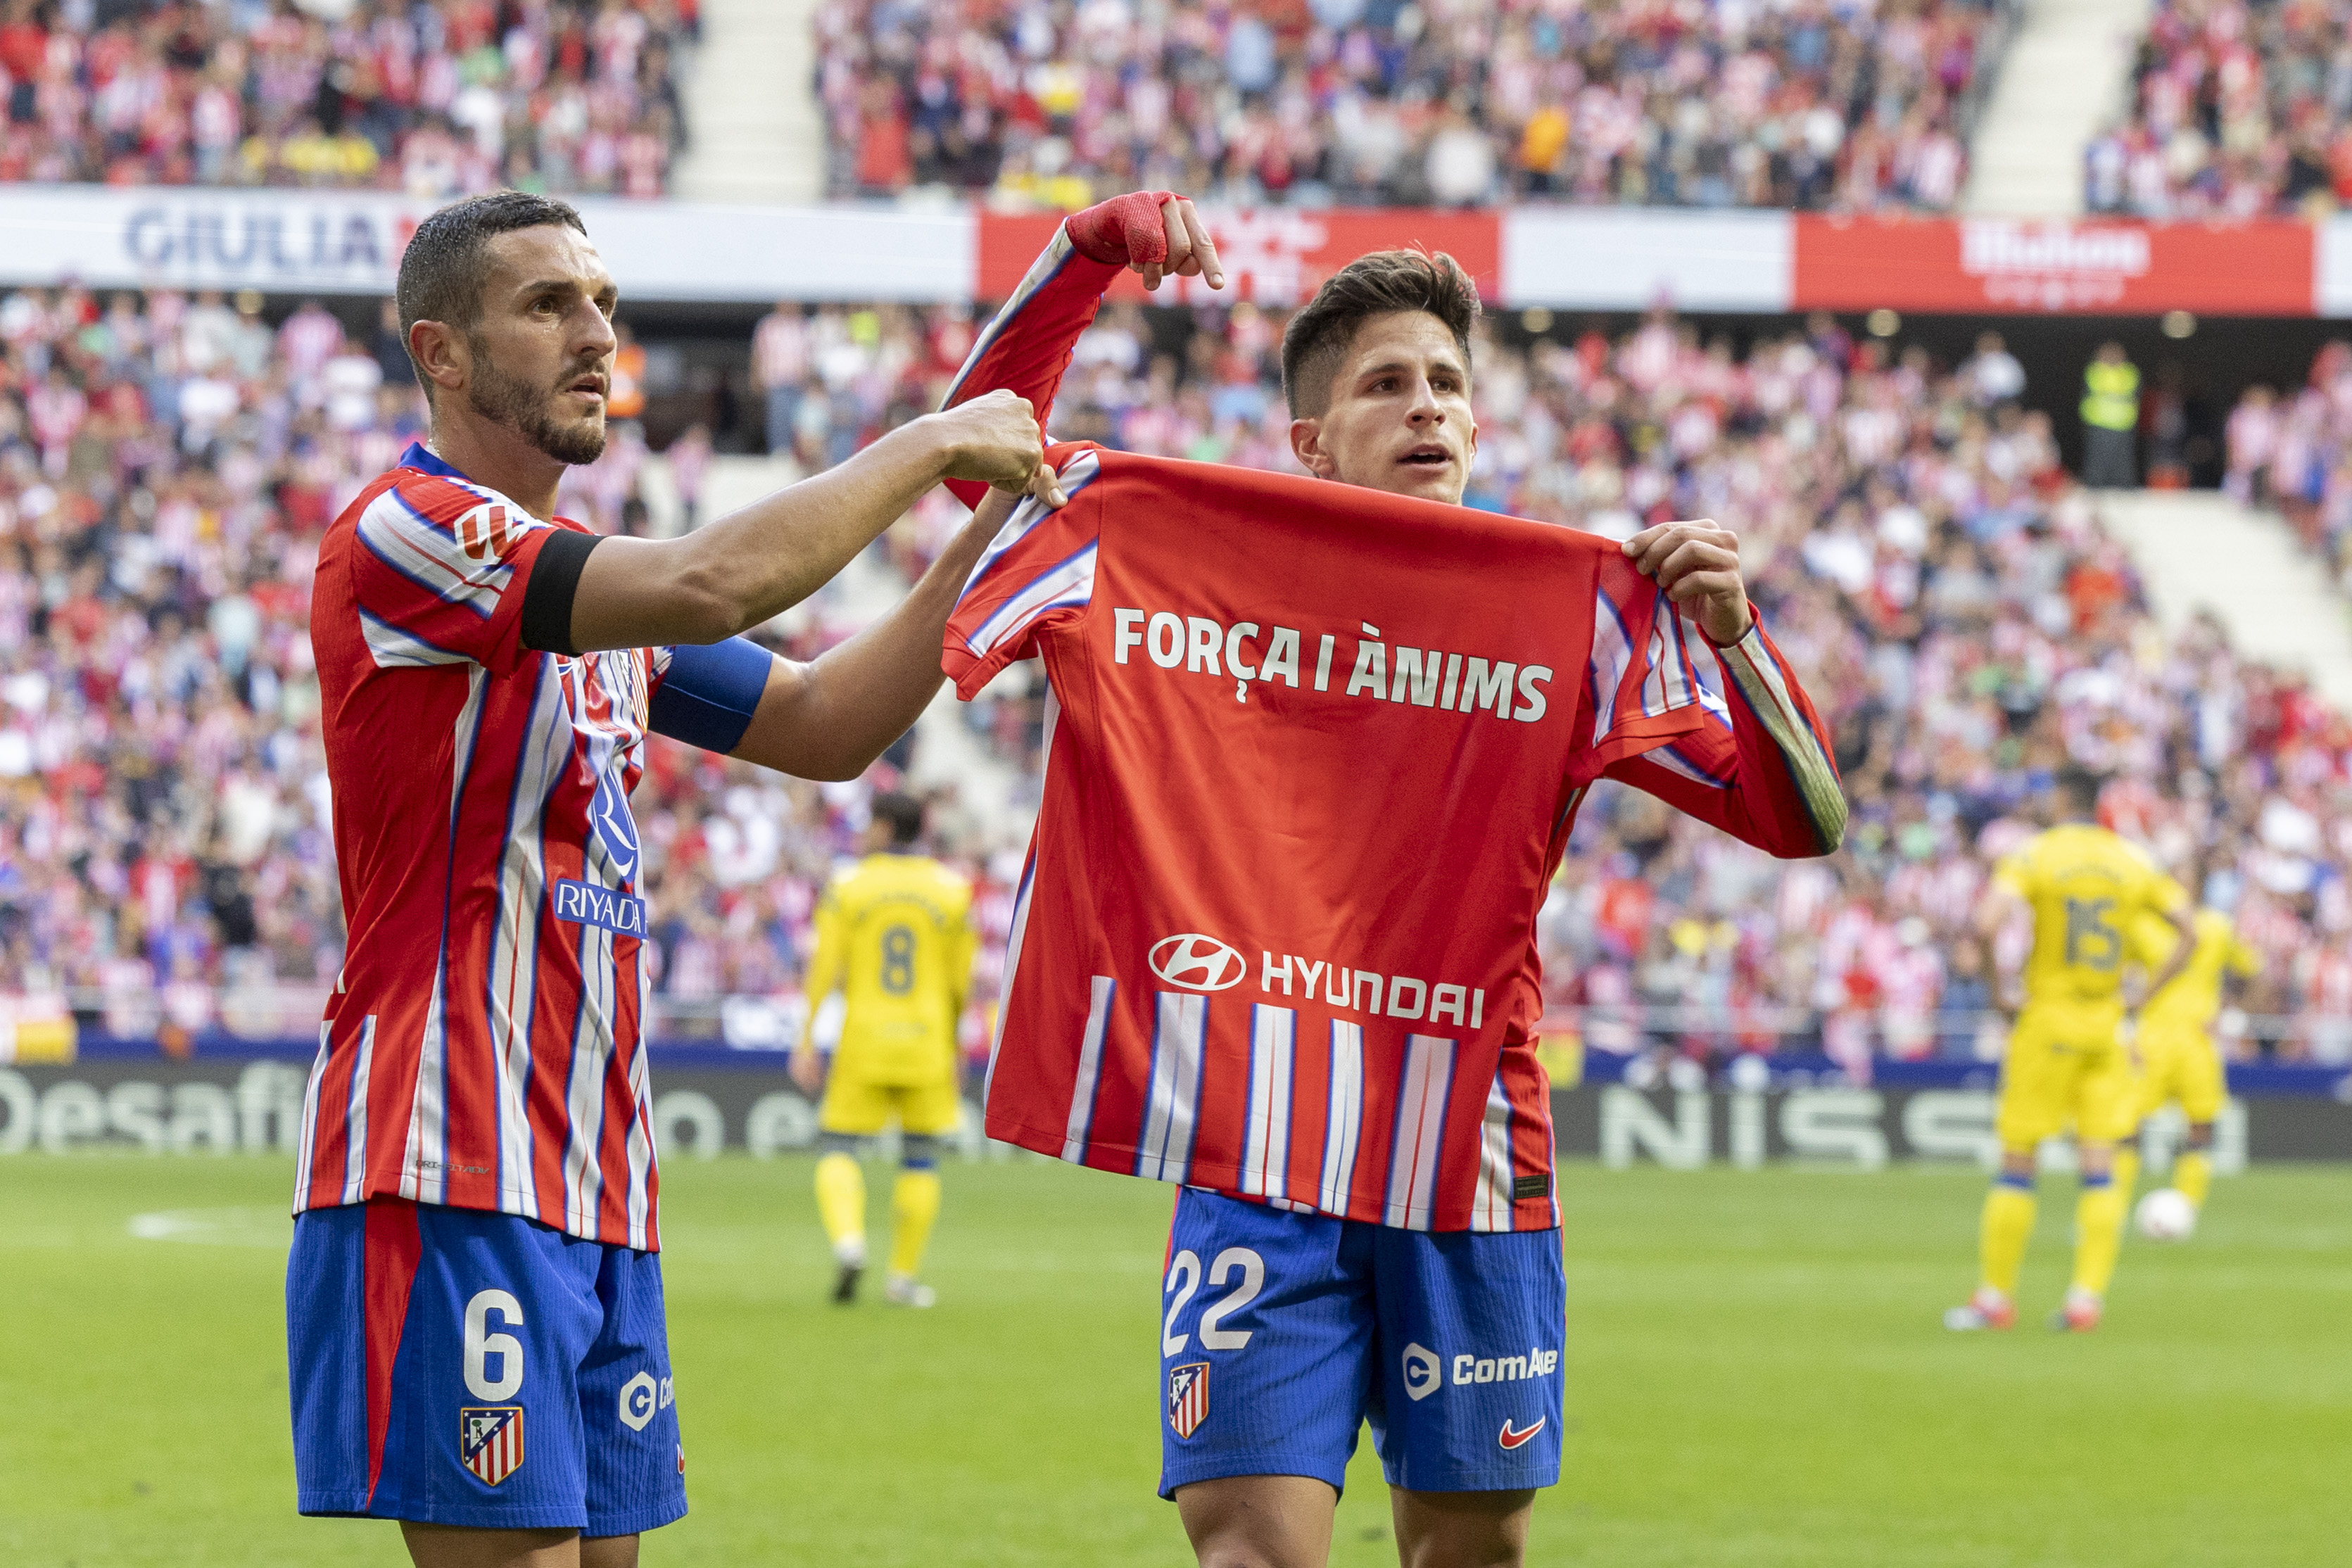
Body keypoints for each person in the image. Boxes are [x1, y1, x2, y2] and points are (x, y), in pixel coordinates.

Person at [943, 191, 1845, 1568]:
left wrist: (1736, 634)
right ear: (1313, 440)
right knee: (1254, 1548)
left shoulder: (1564, 602)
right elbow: (978, 462)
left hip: (1469, 1146)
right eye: (1385, 384)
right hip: (1257, 1132)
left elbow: (1802, 819)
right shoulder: (1189, 550)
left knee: (1470, 1554)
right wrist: (1086, 254)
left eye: (1446, 383)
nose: (1426, 406)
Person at [284, 189, 1052, 1568]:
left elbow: (826, 724)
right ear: (440, 353)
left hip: (599, 1183)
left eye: (607, 307)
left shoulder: (597, 601)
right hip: (451, 1157)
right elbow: (712, 583)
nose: (598, 335)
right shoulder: (410, 531)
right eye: (550, 306)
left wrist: (995, 531)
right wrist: (932, 439)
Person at [1946, 766, 2195, 1336]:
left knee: (2018, 1162)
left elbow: (1985, 926)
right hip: (2107, 1026)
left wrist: (1997, 993)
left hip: (2047, 1021)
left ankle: (1996, 1298)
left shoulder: (2037, 854)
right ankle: (2085, 1301)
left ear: (2062, 799)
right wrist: (2142, 999)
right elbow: (2189, 932)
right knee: (2100, 1167)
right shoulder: (2134, 860)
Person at [792, 791, 978, 1308]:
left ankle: (851, 1243)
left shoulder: (849, 885)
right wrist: (957, 1043)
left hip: (864, 1038)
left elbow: (824, 965)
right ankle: (901, 1279)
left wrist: (806, 1036)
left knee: (838, 1147)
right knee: (921, 1159)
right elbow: (960, 982)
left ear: (882, 828)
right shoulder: (952, 890)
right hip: (928, 1039)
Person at [2113, 878, 2261, 1218]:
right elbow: (2117, 970)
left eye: (2187, 877)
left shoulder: (2218, 927)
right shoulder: (2142, 925)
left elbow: (2252, 971)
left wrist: (2229, 1012)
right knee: (2127, 1123)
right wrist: (2125, 1019)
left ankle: (2187, 1208)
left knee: (2200, 1122)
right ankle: (2113, 1208)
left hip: (2197, 1040)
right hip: (2151, 1038)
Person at [2080, 341, 2140, 488]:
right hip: (2098, 424)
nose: (2111, 357)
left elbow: (2130, 391)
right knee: (2097, 462)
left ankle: (2124, 491)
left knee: (2122, 463)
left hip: (2123, 425)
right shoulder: (2094, 371)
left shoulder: (2129, 373)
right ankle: (2095, 490)